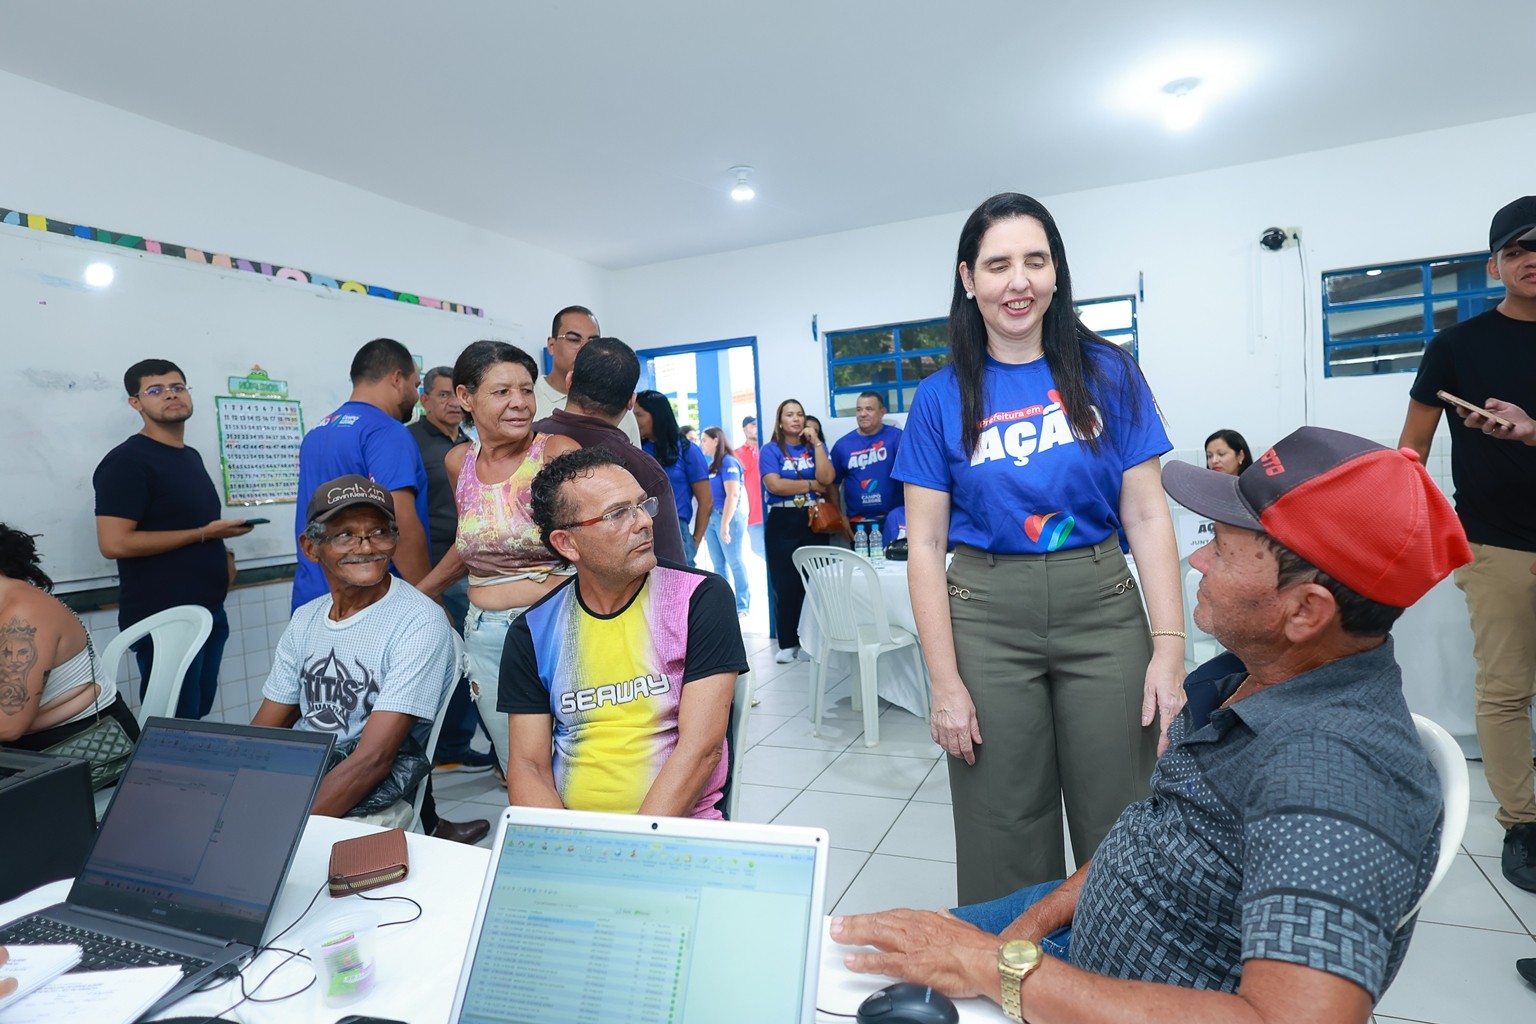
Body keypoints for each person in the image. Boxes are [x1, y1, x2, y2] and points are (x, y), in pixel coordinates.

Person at [833, 426, 1469, 1024]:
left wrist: (994, 969)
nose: (1197, 559)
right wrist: (1027, 928)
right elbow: (1152, 834)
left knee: (841, 985)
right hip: (1068, 945)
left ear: (1305, 610)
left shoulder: (1332, 777)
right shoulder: (1253, 677)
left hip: (1094, 991)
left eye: (1222, 550)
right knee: (853, 957)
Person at [891, 192, 1185, 904]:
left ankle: (1116, 960)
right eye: (998, 265)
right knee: (1002, 826)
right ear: (969, 279)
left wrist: (1171, 649)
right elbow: (924, 544)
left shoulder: (1109, 373)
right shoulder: (939, 397)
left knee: (1123, 816)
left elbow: (1147, 514)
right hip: (984, 617)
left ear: (1057, 272)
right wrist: (944, 683)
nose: (1018, 282)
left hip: (1103, 607)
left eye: (1035, 261)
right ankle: (1014, 962)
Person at [1398, 194, 1536, 892]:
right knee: (1506, 687)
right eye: (1517, 250)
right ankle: (1524, 824)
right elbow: (1411, 453)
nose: (1531, 259)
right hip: (1497, 543)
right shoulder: (1456, 347)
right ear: (1494, 266)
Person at [500, 448, 745, 818]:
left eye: (642, 505)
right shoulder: (533, 632)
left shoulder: (699, 599)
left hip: (680, 828)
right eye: (617, 513)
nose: (644, 522)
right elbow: (528, 765)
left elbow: (702, 749)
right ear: (567, 543)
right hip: (576, 833)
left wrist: (631, 844)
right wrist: (561, 842)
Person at [254, 477, 487, 844]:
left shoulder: (416, 621)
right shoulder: (306, 619)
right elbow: (265, 730)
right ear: (311, 547)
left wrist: (284, 831)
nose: (365, 547)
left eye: (379, 532)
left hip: (361, 787)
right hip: (302, 774)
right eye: (345, 535)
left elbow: (374, 760)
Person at [415, 342, 580, 775]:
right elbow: (473, 540)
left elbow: (594, 537)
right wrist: (419, 593)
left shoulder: (554, 453)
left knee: (574, 762)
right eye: (502, 391)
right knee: (518, 767)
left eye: (526, 390)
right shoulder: (459, 463)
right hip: (486, 636)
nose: (520, 402)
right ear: (466, 397)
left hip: (557, 627)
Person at [93, 358, 248, 719]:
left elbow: (192, 521)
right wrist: (203, 535)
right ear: (136, 402)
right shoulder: (127, 462)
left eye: (177, 387)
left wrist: (223, 551)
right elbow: (114, 543)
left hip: (209, 609)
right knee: (174, 724)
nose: (171, 395)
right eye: (156, 390)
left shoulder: (189, 456)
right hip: (165, 617)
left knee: (196, 714)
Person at [291, 338, 430, 611]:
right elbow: (401, 519)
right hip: (373, 600)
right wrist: (429, 597)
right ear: (397, 379)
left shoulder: (318, 432)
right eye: (415, 385)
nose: (416, 396)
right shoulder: (385, 431)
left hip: (316, 598)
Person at [0, 524, 140, 782]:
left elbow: (7, 726)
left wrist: (31, 721)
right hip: (34, 746)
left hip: (88, 748)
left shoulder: (24, 613)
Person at [531, 336, 688, 564]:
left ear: (569, 381)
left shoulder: (527, 441)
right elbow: (669, 566)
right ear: (631, 402)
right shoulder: (642, 470)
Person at [406, 366, 493, 774]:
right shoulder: (411, 441)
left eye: (454, 396)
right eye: (441, 396)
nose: (451, 404)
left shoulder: (471, 443)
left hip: (473, 560)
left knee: (469, 658)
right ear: (424, 400)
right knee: (464, 657)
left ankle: (456, 744)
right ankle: (472, 747)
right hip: (438, 561)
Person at [760, 398, 835, 663]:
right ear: (780, 421)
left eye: (800, 414)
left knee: (817, 581)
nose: (796, 419)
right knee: (786, 582)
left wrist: (817, 443)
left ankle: (813, 641)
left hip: (814, 518)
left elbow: (827, 479)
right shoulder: (770, 450)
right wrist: (811, 484)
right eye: (789, 414)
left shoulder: (814, 447)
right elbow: (775, 486)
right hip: (783, 518)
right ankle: (788, 643)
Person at [534, 305, 641, 445]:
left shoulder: (617, 406)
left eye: (593, 341)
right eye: (574, 339)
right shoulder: (527, 399)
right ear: (551, 345)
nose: (585, 349)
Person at [635, 390, 713, 566]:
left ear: (657, 415)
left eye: (639, 415)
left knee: (680, 582)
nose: (635, 420)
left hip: (677, 530)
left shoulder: (687, 450)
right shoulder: (638, 450)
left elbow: (706, 501)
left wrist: (695, 541)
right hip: (641, 531)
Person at [831, 391, 904, 528]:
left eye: (869, 409)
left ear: (882, 412)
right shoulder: (842, 445)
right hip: (857, 524)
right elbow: (832, 484)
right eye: (859, 409)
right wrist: (839, 516)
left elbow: (912, 477)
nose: (863, 414)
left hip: (895, 521)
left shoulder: (897, 438)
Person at [699, 426, 750, 615]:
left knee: (734, 561)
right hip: (712, 517)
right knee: (718, 565)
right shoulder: (712, 465)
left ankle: (742, 605)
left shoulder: (728, 462)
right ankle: (725, 606)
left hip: (727, 517)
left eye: (704, 440)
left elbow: (733, 494)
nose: (701, 444)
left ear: (716, 440)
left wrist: (725, 524)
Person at [737, 415, 766, 560]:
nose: (756, 428)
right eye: (753, 425)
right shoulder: (737, 454)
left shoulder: (767, 449)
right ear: (744, 429)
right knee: (757, 547)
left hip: (770, 510)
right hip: (753, 514)